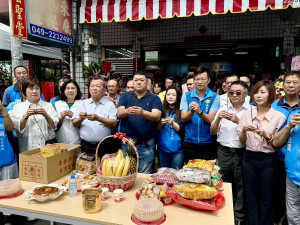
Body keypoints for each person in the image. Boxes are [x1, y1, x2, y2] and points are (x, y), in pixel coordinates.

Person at [237, 80, 286, 225]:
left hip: (268, 161)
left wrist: (267, 136)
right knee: (250, 197)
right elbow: (242, 141)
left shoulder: (279, 117)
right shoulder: (246, 114)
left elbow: (278, 143)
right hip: (249, 158)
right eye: (256, 92)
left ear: (270, 95)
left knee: (267, 198)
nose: (258, 96)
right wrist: (245, 131)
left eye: (262, 92)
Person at [210, 81, 250, 225]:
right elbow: (213, 131)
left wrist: (238, 120)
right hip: (223, 151)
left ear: (246, 94)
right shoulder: (222, 109)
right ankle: (223, 214)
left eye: (238, 93)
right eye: (231, 92)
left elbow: (253, 134)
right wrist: (219, 118)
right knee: (223, 184)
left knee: (240, 185)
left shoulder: (250, 110)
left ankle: (239, 217)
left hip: (242, 152)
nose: (234, 95)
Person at [117, 71, 163, 174]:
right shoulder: (125, 96)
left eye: (142, 80)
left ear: (147, 82)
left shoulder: (154, 98)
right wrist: (127, 111)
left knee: (144, 175)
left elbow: (156, 116)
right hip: (127, 143)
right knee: (126, 173)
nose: (138, 83)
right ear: (132, 82)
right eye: (136, 80)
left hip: (146, 144)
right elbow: (119, 113)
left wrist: (143, 113)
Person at [271, 71, 300, 224]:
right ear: (282, 85)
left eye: (295, 82)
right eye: (288, 82)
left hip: (297, 162)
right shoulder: (274, 106)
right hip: (275, 157)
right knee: (277, 194)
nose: (291, 85)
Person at [180, 67, 220, 161]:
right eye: (197, 79)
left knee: (208, 172)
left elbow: (211, 119)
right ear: (194, 81)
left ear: (208, 80)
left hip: (209, 143)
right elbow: (183, 119)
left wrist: (199, 112)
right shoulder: (186, 96)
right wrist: (191, 112)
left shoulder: (215, 97)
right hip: (190, 143)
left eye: (203, 79)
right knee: (190, 173)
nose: (200, 82)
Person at [9, 78, 59, 153]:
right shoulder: (18, 107)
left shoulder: (48, 106)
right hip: (27, 147)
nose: (34, 91)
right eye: (31, 88)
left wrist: (46, 115)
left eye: (37, 88)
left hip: (47, 147)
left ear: (40, 91)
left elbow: (54, 126)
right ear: (24, 92)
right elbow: (18, 128)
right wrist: (26, 116)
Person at [72, 78, 117, 154]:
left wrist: (98, 118)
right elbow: (74, 124)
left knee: (103, 166)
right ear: (89, 89)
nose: (94, 88)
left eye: (98, 86)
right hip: (85, 146)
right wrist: (81, 118)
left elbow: (113, 123)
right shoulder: (82, 103)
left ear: (104, 90)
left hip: (104, 146)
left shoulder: (110, 105)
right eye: (92, 86)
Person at [0, 97, 18, 225]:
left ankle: (7, 219)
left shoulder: (5, 113)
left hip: (7, 159)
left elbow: (10, 128)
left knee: (8, 192)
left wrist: (2, 110)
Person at [157, 86, 184, 169]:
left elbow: (182, 130)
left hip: (178, 150)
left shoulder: (182, 110)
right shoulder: (161, 109)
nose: (170, 97)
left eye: (173, 95)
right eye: (168, 94)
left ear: (178, 96)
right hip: (162, 149)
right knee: (163, 175)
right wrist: (161, 123)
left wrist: (173, 123)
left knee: (176, 176)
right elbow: (156, 129)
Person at [54, 80, 82, 145]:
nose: (70, 91)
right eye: (68, 88)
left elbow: (85, 124)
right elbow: (53, 125)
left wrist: (74, 117)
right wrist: (61, 118)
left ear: (77, 90)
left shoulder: (82, 104)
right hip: (60, 141)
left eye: (73, 88)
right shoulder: (56, 104)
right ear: (64, 90)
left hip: (78, 142)